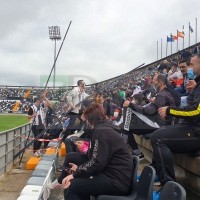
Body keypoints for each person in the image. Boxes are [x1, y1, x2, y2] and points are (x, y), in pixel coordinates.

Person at [47, 103, 133, 200]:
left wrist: (77, 172)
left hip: (117, 181)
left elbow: (97, 163)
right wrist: (80, 169)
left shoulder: (101, 132)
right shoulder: (103, 128)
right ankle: (61, 182)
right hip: (113, 174)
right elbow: (98, 158)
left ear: (89, 119)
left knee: (71, 186)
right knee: (74, 166)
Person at [151, 53, 200, 185]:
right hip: (192, 128)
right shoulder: (197, 84)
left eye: (191, 64)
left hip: (196, 131)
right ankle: (157, 174)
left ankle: (168, 186)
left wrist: (169, 110)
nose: (189, 67)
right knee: (160, 131)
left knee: (158, 138)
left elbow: (196, 111)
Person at [122, 75, 178, 159]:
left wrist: (130, 104)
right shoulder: (169, 93)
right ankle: (134, 149)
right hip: (160, 123)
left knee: (125, 126)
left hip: (158, 124)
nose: (153, 85)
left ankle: (137, 153)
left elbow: (150, 111)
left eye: (154, 83)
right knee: (127, 123)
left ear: (160, 83)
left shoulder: (163, 95)